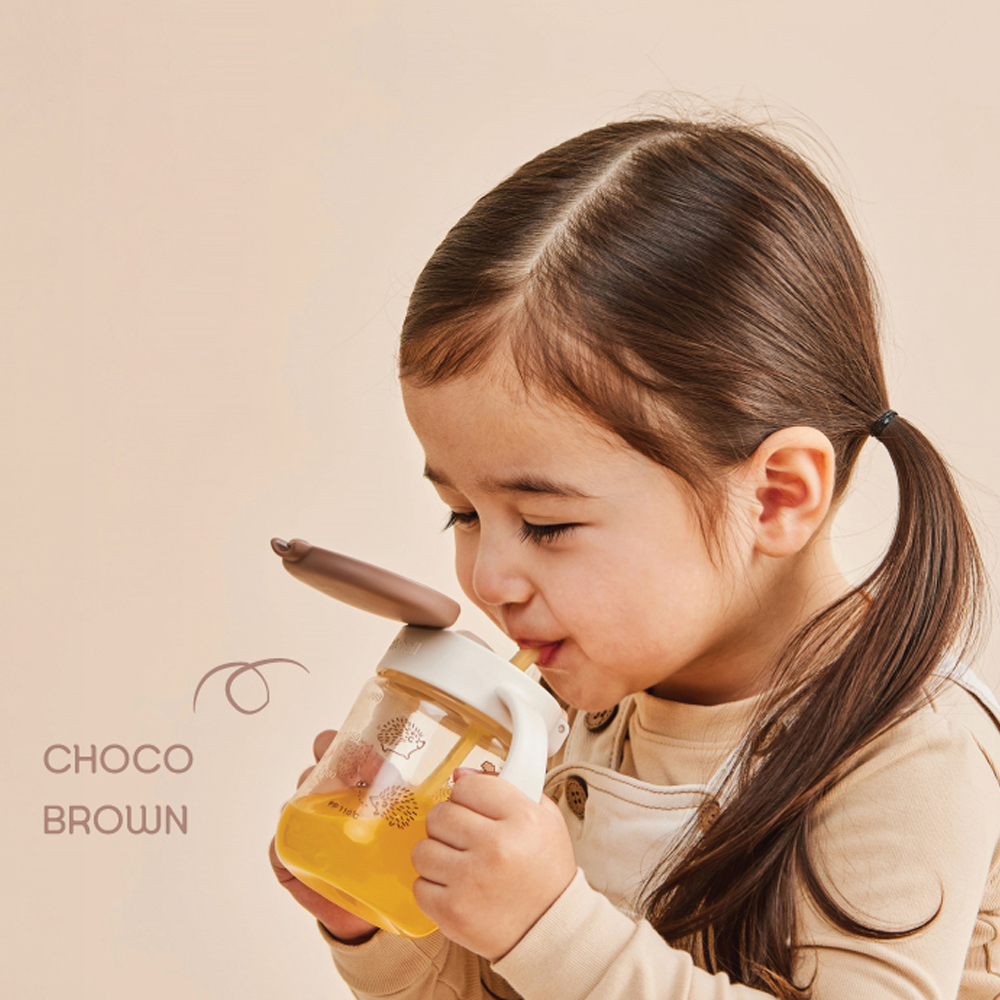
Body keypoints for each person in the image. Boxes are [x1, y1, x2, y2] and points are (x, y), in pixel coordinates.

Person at [269, 116, 1000, 999]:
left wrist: (546, 926)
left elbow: (559, 958)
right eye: (461, 513)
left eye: (546, 525)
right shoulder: (580, 704)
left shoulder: (910, 748)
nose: (488, 581)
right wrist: (378, 912)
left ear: (775, 496)